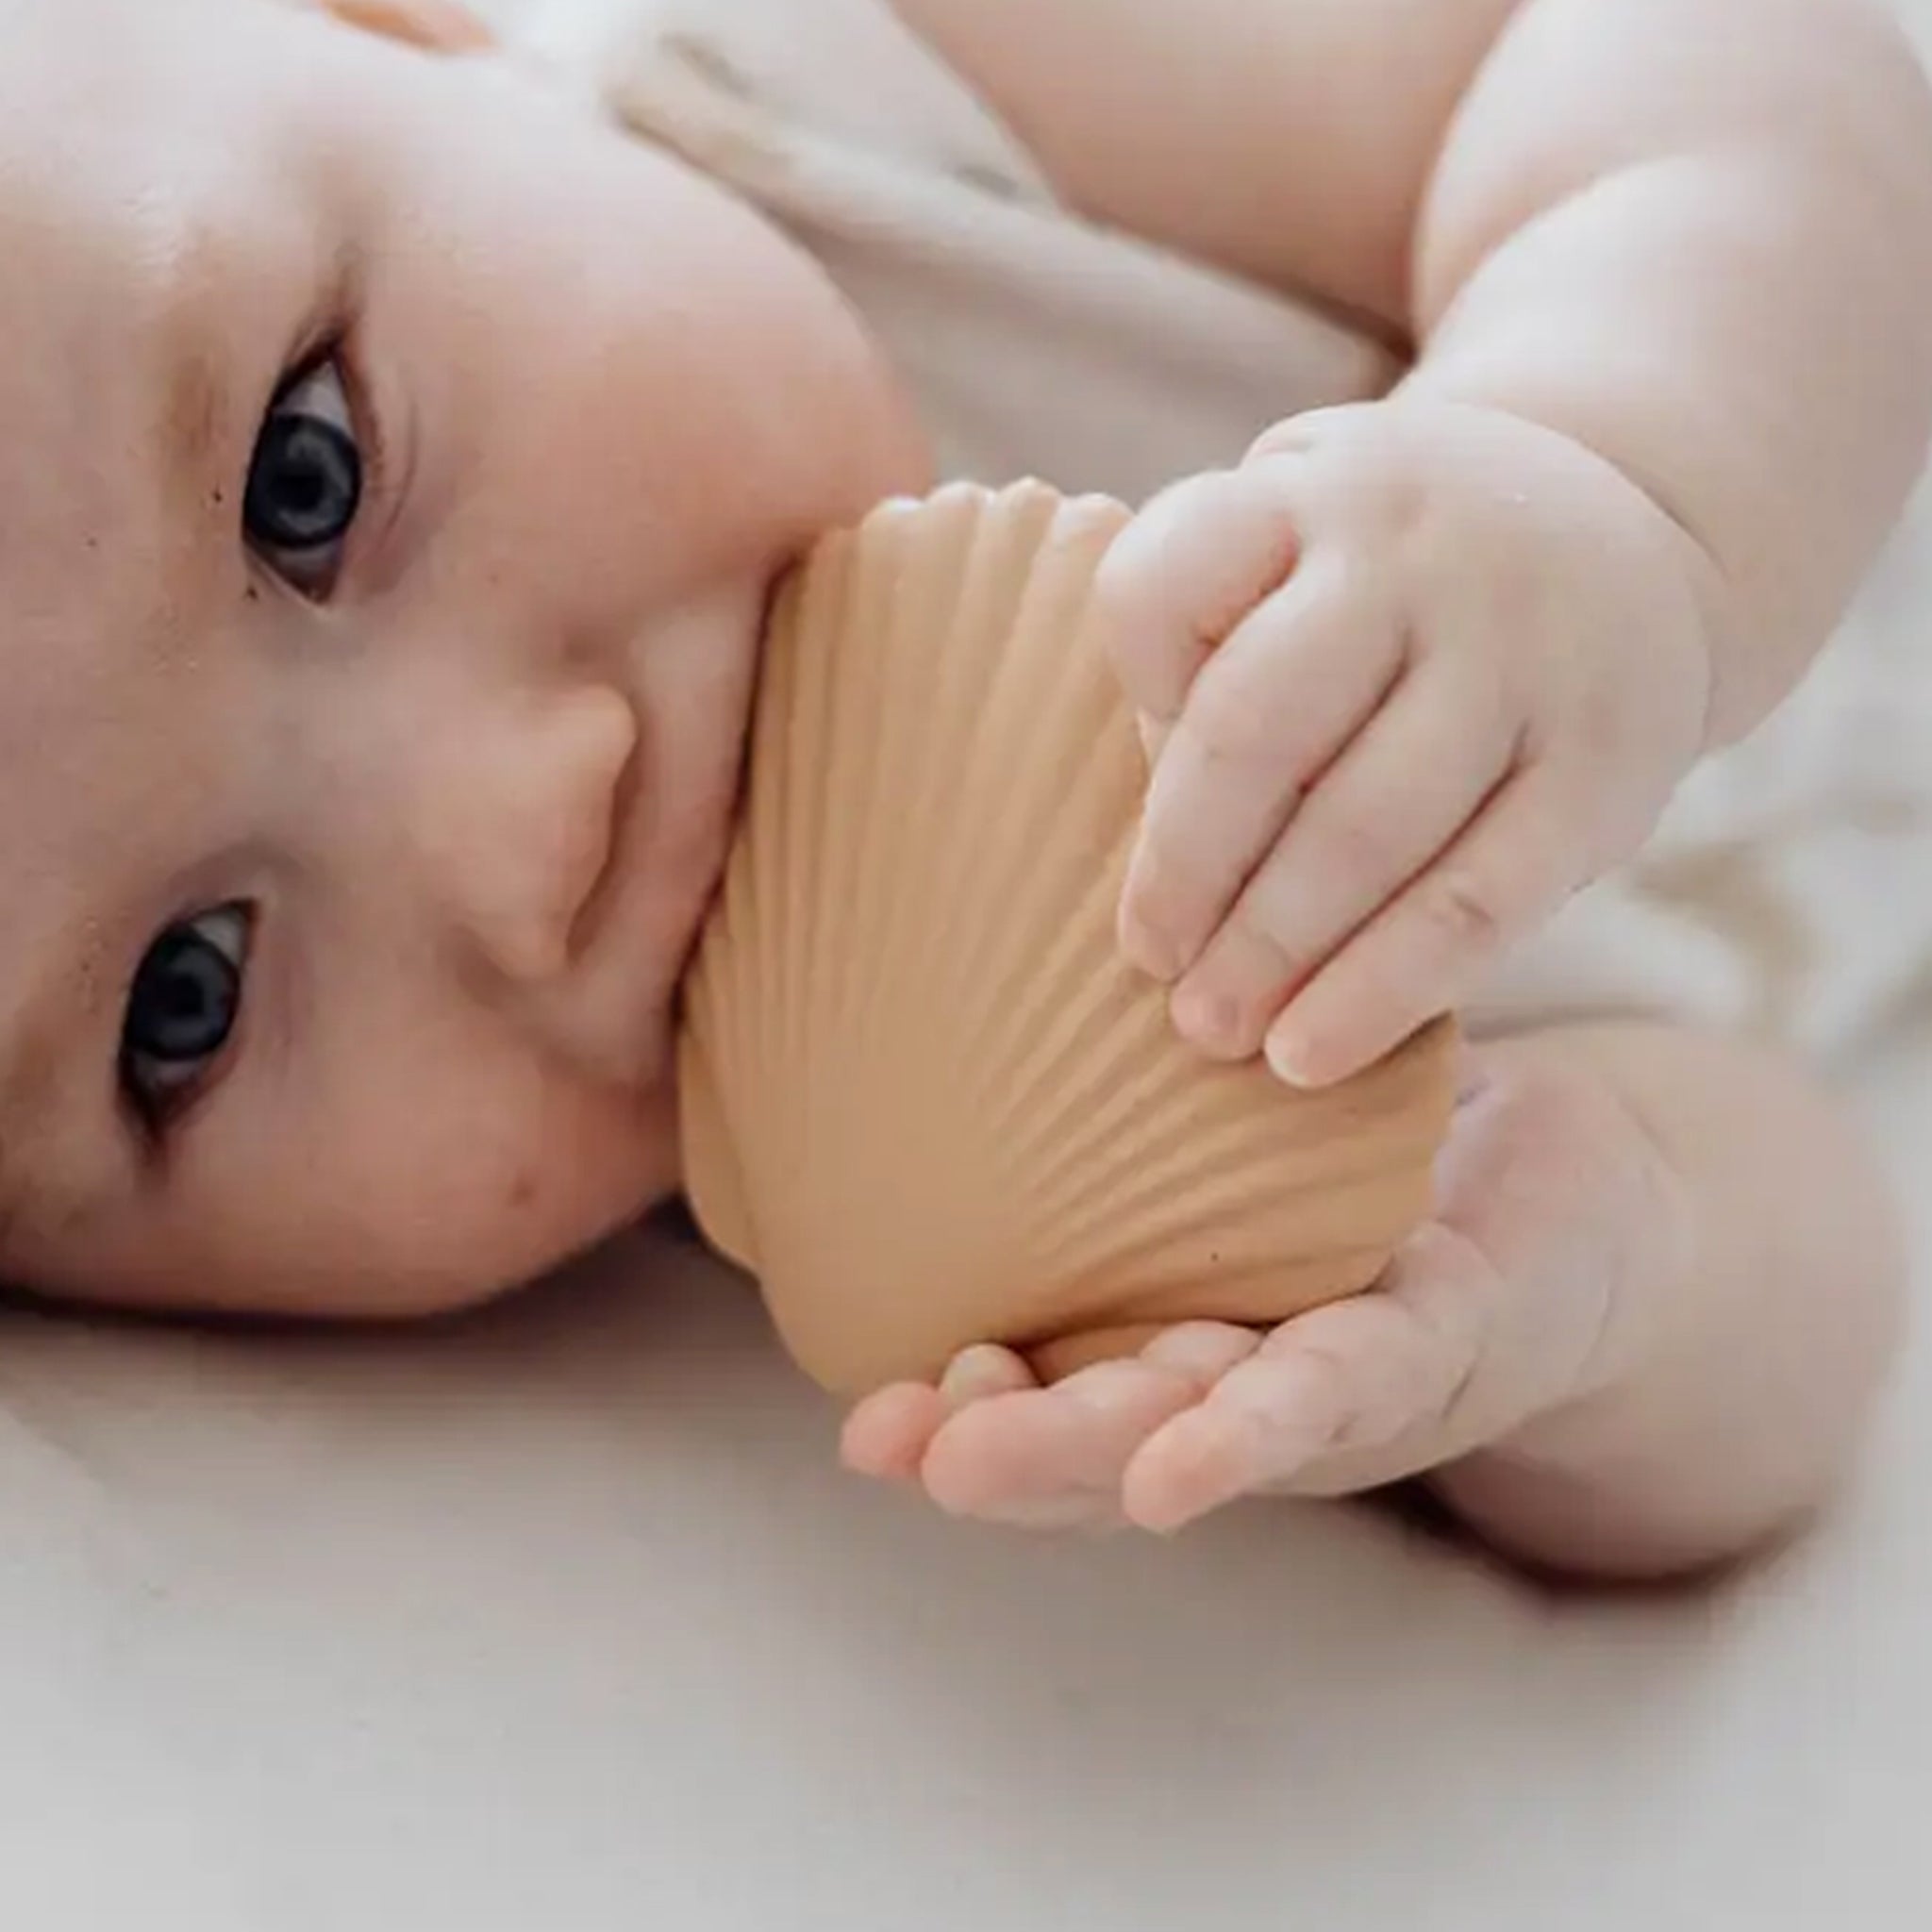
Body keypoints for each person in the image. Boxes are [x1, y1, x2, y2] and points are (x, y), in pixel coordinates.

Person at [1, 0, 1928, 1580]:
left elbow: (1715, 57)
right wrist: (1568, 1296)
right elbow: (1815, 1276)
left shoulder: (846, 88)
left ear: (409, 37)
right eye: (189, 1000)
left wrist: (1613, 465)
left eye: (306, 473)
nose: (521, 834)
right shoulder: (868, 1231)